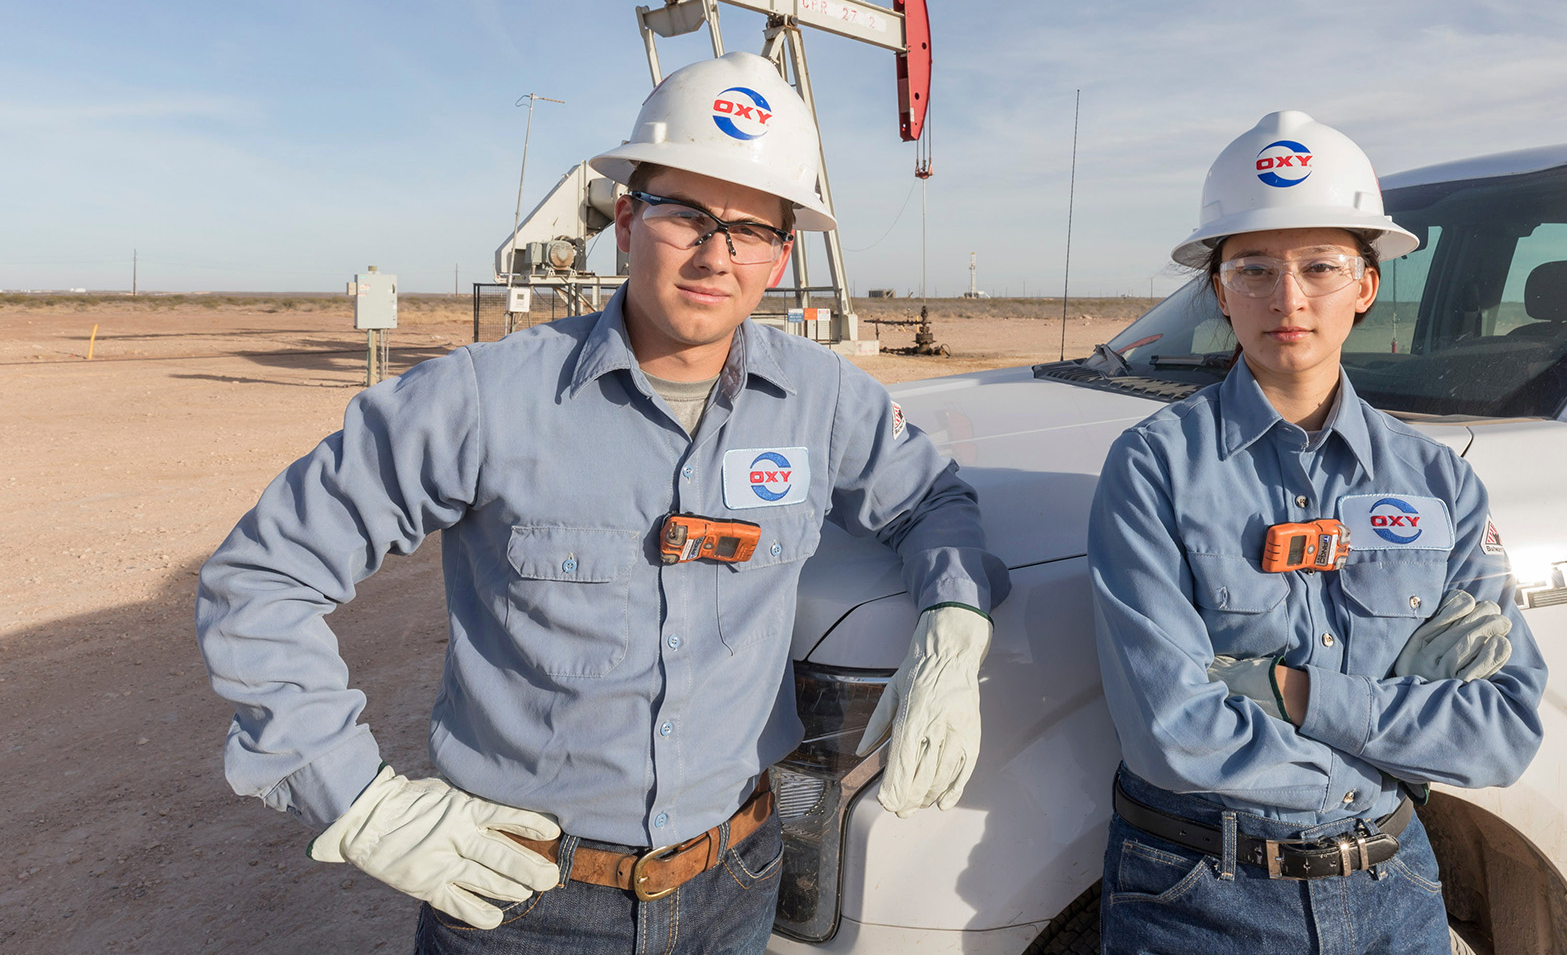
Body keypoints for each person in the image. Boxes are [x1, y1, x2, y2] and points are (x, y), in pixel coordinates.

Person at [196, 51, 1008, 954]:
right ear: (626, 221)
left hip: (738, 883)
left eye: (750, 229)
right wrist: (356, 797)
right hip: (526, 903)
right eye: (687, 215)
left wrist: (953, 625)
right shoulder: (482, 399)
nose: (716, 255)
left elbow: (933, 499)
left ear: (781, 257)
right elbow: (261, 576)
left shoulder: (824, 400)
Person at [1087, 111, 1546, 954]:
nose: (1287, 299)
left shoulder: (1439, 484)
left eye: (1320, 267)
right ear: (1219, 290)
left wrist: (1296, 693)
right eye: (1254, 270)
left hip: (1394, 893)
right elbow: (1172, 731)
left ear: (1366, 286)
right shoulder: (1155, 467)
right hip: (1200, 900)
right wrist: (1389, 741)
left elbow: (1502, 730)